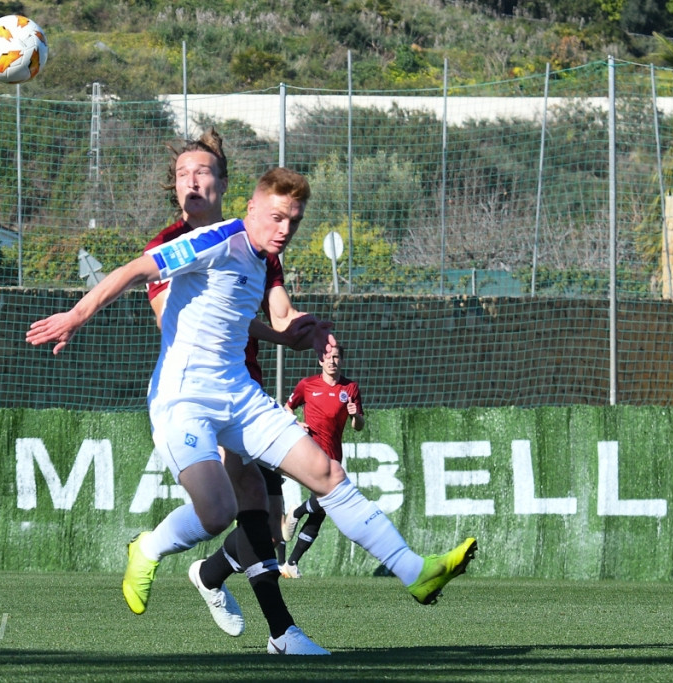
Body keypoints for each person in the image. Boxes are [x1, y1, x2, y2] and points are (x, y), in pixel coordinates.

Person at [27, 167, 477, 655]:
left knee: (326, 473)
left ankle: (416, 572)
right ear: (253, 209)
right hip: (184, 399)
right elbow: (137, 270)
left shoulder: (265, 260)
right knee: (219, 511)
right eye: (278, 217)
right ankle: (149, 547)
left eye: (294, 221)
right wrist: (76, 315)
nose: (285, 229)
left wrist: (306, 330)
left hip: (239, 395)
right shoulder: (216, 239)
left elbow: (276, 318)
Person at [145, 129, 322, 651]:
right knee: (247, 500)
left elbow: (281, 312)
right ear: (175, 187)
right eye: (182, 174)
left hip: (246, 388)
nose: (191, 181)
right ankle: (281, 630)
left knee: (266, 513)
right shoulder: (165, 246)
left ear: (223, 185)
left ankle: (211, 575)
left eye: (202, 172)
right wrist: (276, 334)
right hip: (196, 393)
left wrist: (305, 329)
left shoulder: (258, 241)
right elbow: (171, 320)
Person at [279, 343, 364, 579]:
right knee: (329, 498)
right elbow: (287, 408)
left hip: (333, 456)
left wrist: (355, 415)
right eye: (328, 357)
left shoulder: (350, 388)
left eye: (336, 357)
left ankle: (291, 562)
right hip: (310, 452)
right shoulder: (307, 385)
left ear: (341, 361)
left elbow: (358, 426)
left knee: (322, 510)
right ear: (320, 361)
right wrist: (296, 423)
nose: (332, 361)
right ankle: (297, 514)